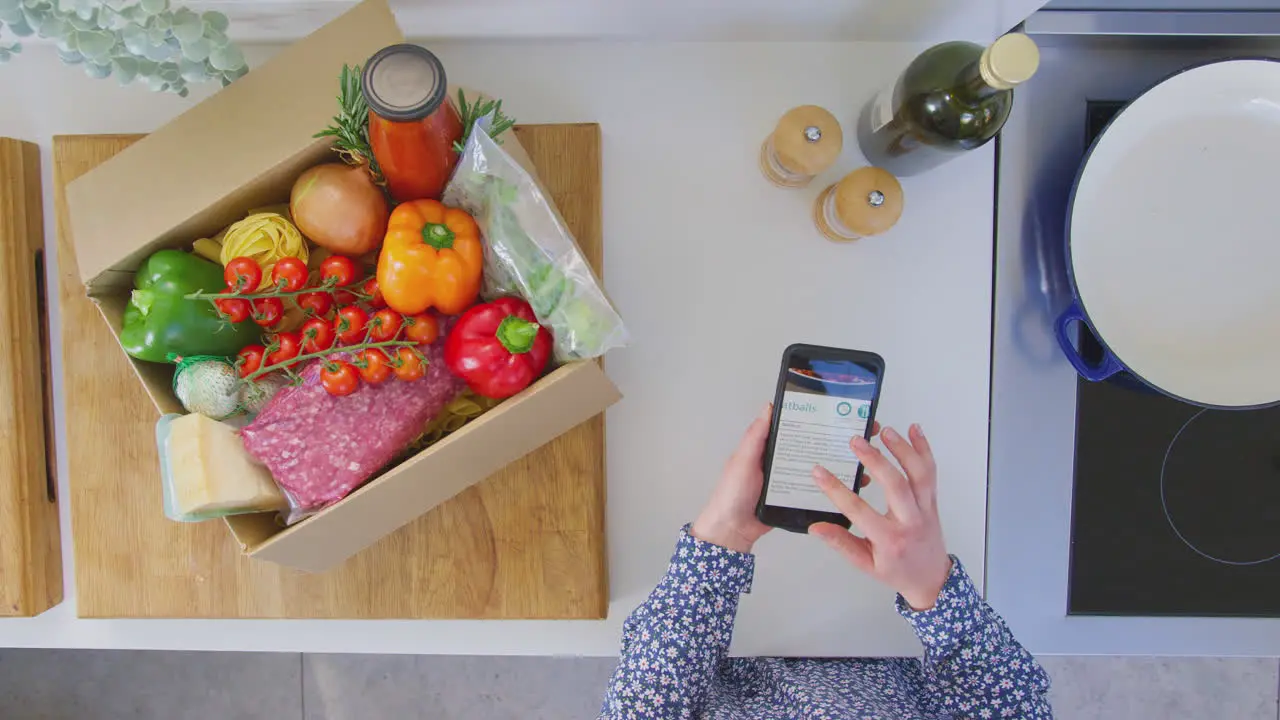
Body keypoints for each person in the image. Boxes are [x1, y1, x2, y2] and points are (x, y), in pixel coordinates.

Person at [598, 405, 1053, 719]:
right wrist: (934, 587)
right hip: (904, 639)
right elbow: (1011, 703)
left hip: (743, 641)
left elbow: (647, 700)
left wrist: (722, 536)